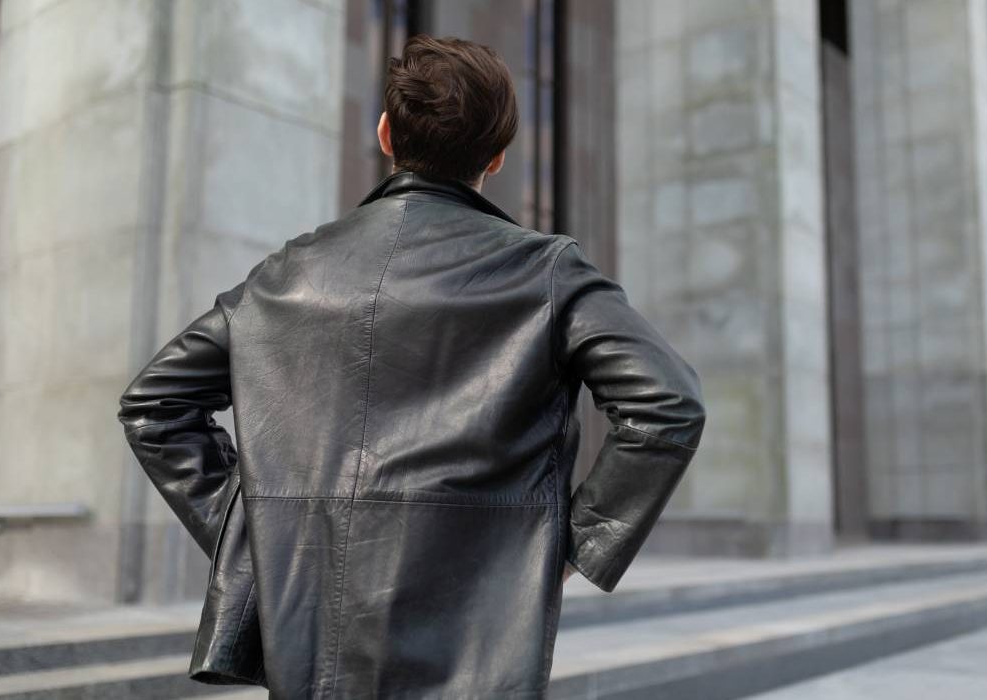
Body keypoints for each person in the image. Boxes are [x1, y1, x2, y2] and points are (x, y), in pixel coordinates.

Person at [117, 33, 705, 699]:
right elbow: (669, 406)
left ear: (385, 134)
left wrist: (261, 529)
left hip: (312, 640)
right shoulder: (545, 271)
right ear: (498, 155)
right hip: (476, 644)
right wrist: (572, 547)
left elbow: (154, 406)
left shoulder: (287, 273)